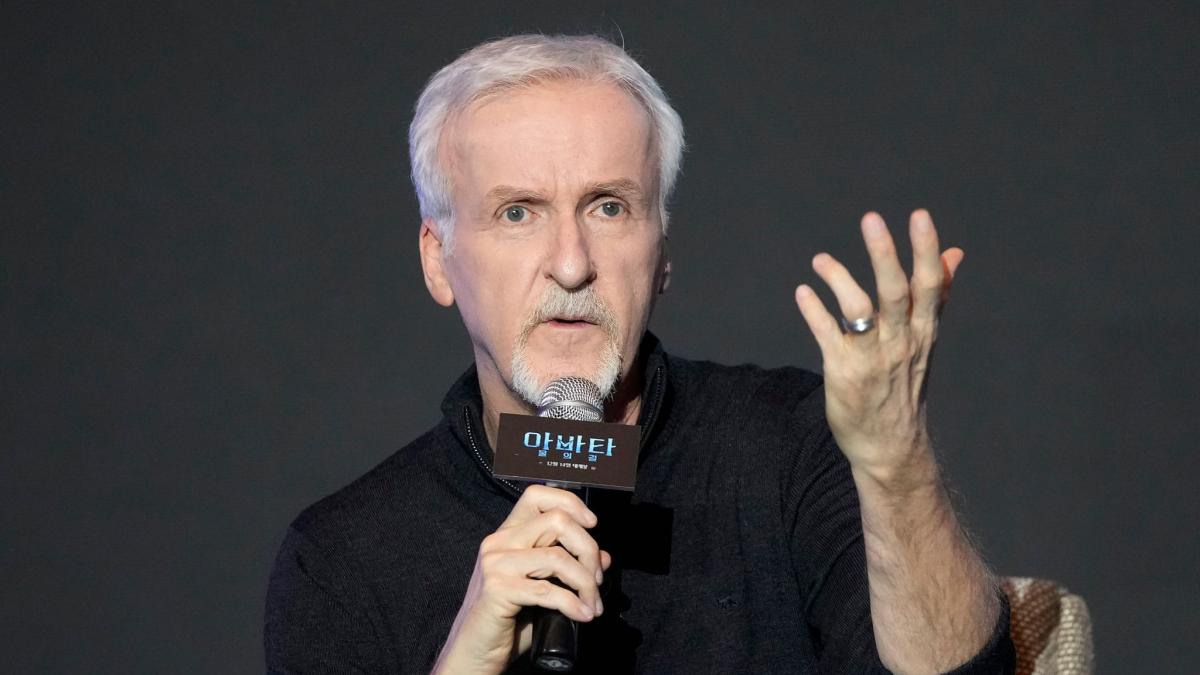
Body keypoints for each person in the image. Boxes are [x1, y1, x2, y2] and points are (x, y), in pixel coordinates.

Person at [264, 34, 1015, 674]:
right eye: (518, 212)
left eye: (609, 206)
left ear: (662, 253)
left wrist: (894, 466)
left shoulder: (793, 443)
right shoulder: (341, 559)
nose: (570, 265)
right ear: (438, 260)